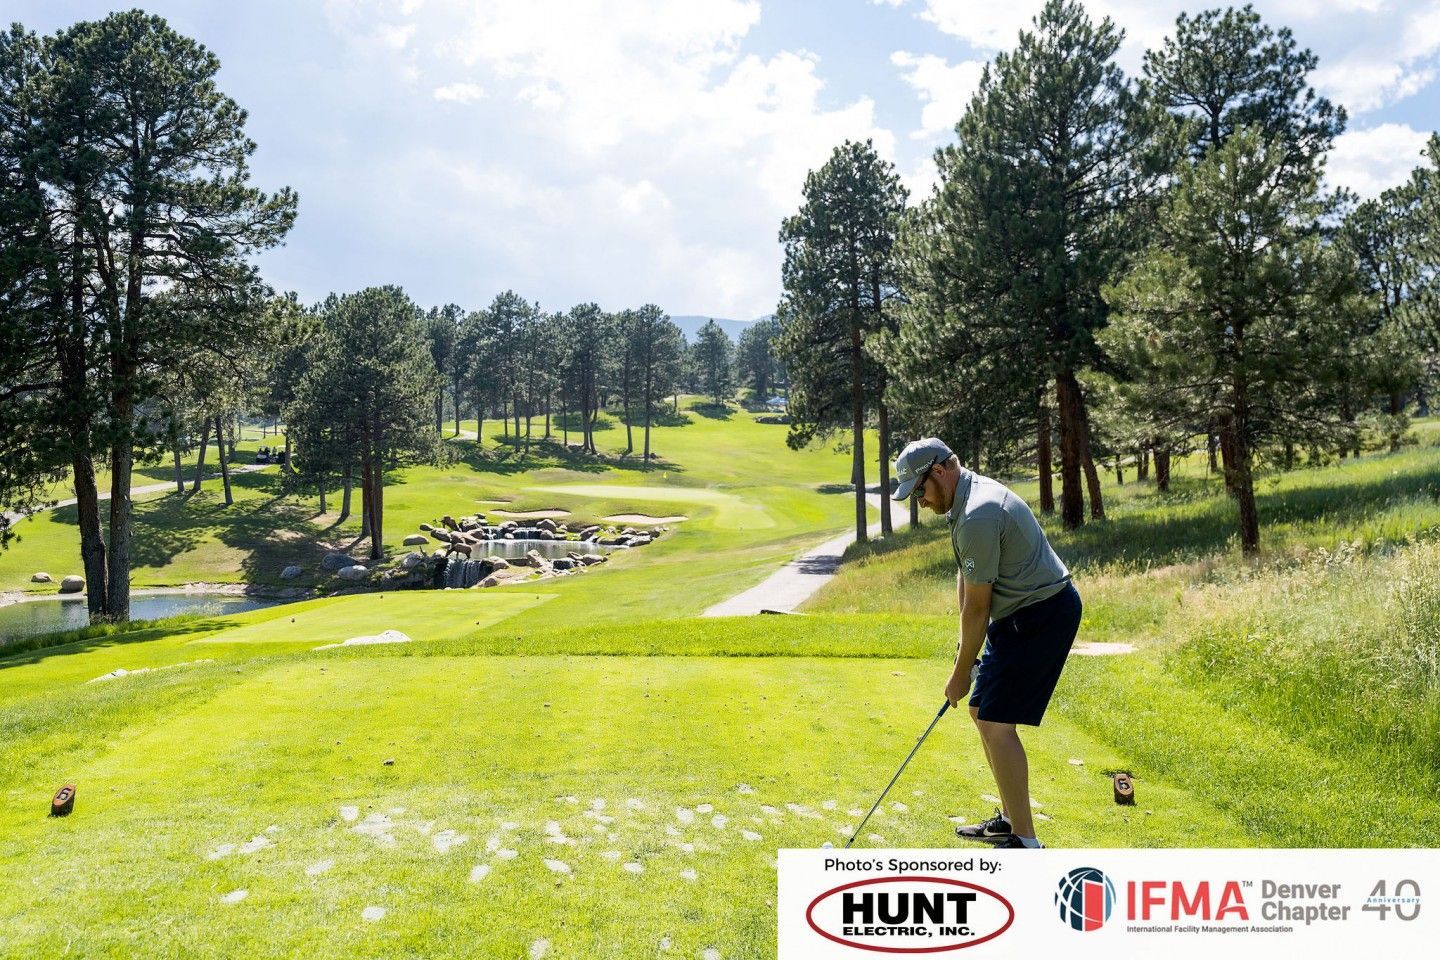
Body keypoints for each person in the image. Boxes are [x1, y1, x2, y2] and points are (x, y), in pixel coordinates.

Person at [892, 437, 1082, 849]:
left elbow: (979, 609)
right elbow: (969, 579)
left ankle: (1025, 842)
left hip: (1041, 614)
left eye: (919, 491)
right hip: (1019, 614)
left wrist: (960, 673)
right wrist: (966, 654)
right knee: (981, 710)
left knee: (996, 724)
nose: (919, 502)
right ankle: (1011, 820)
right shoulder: (961, 499)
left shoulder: (978, 513)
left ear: (939, 471)